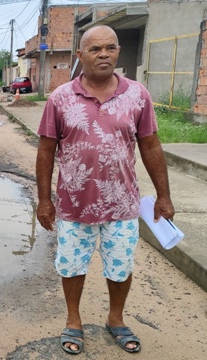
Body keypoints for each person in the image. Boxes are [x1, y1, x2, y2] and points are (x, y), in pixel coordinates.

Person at [35, 25, 175, 355]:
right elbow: (45, 151)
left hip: (122, 205)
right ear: (80, 56)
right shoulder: (60, 98)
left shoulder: (137, 95)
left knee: (121, 267)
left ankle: (116, 319)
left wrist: (164, 195)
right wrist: (44, 200)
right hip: (73, 205)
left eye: (110, 48)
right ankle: (73, 321)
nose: (103, 54)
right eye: (95, 49)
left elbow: (151, 146)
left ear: (118, 52)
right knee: (71, 267)